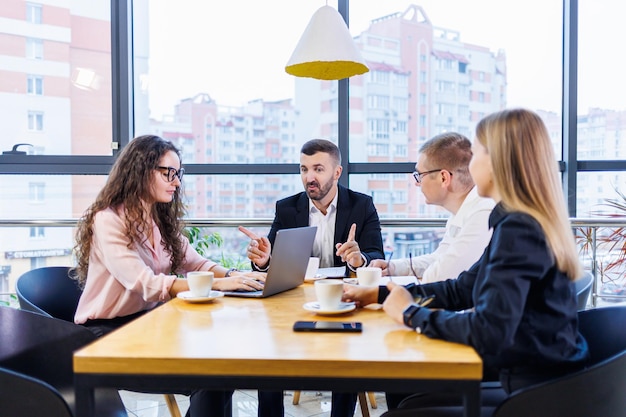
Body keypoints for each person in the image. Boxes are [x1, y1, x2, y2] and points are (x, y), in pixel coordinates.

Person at [344, 108, 589, 412]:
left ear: (499, 161)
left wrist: (410, 314)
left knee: (404, 406)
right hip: (537, 378)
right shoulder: (517, 221)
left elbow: (489, 331)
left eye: (477, 154)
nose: (470, 167)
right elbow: (463, 288)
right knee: (406, 394)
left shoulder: (519, 229)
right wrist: (383, 294)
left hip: (533, 395)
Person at [72, 134, 266, 417]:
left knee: (225, 367)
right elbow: (146, 284)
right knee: (211, 379)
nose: (177, 182)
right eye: (169, 173)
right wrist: (223, 284)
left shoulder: (158, 219)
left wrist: (240, 275)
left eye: (179, 174)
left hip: (148, 324)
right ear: (140, 170)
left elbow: (195, 262)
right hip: (106, 334)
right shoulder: (108, 219)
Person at [239, 138, 384, 417]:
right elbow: (272, 260)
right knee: (268, 352)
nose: (309, 177)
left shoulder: (362, 206)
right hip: (296, 300)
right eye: (304, 169)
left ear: (337, 172)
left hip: (343, 300)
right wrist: (264, 260)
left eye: (318, 169)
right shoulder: (287, 208)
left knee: (347, 350)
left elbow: (375, 254)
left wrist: (359, 259)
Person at [370, 132, 494, 284]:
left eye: (420, 175)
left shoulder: (483, 213)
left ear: (444, 178)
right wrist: (393, 267)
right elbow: (439, 259)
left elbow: (441, 275)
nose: (417, 182)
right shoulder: (461, 212)